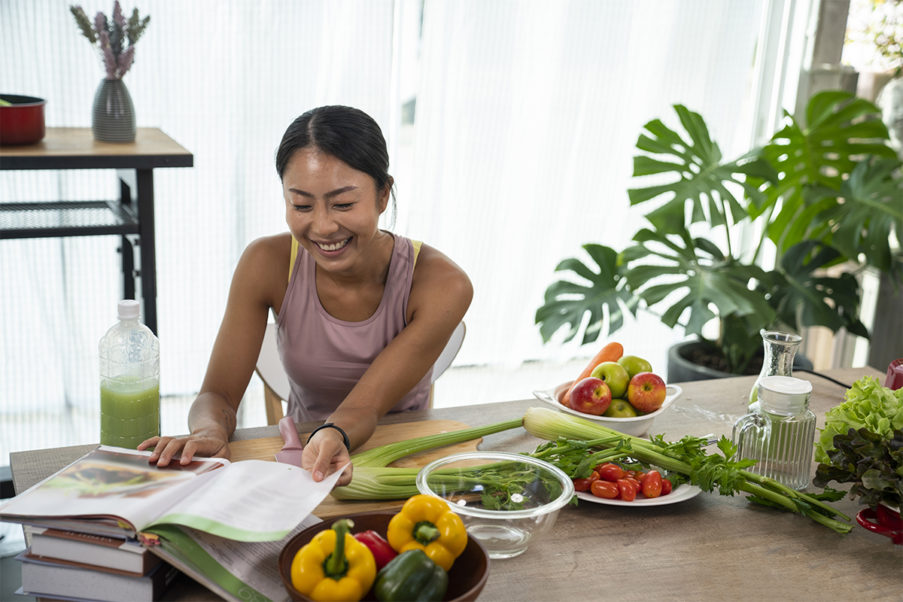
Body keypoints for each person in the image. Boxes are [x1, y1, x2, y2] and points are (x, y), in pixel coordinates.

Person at [139, 105, 472, 486]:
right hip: (303, 461)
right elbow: (217, 394)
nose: (323, 226)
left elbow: (365, 406)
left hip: (403, 463)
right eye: (301, 205)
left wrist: (333, 433)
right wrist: (208, 433)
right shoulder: (265, 263)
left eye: (343, 204)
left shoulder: (442, 283)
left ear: (383, 195)